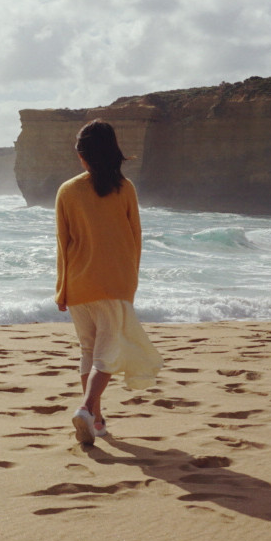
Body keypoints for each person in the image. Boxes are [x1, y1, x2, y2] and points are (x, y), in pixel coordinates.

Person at [54, 119, 163, 445]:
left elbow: (64, 244)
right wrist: (130, 283)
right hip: (114, 283)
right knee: (108, 354)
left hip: (78, 285)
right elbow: (135, 238)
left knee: (89, 351)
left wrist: (62, 288)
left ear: (84, 155)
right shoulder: (125, 188)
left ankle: (97, 420)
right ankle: (87, 409)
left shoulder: (67, 190)